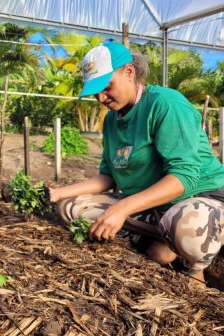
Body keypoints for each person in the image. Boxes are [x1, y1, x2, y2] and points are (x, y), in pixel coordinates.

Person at [49, 41, 224, 286]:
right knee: (72, 209)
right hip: (154, 204)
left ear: (129, 72)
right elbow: (108, 176)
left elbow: (184, 177)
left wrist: (122, 209)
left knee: (188, 229)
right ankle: (163, 242)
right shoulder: (112, 120)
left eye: (107, 87)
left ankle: (196, 272)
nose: (101, 98)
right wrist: (59, 193)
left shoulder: (165, 104)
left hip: (201, 197)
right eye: (95, 92)